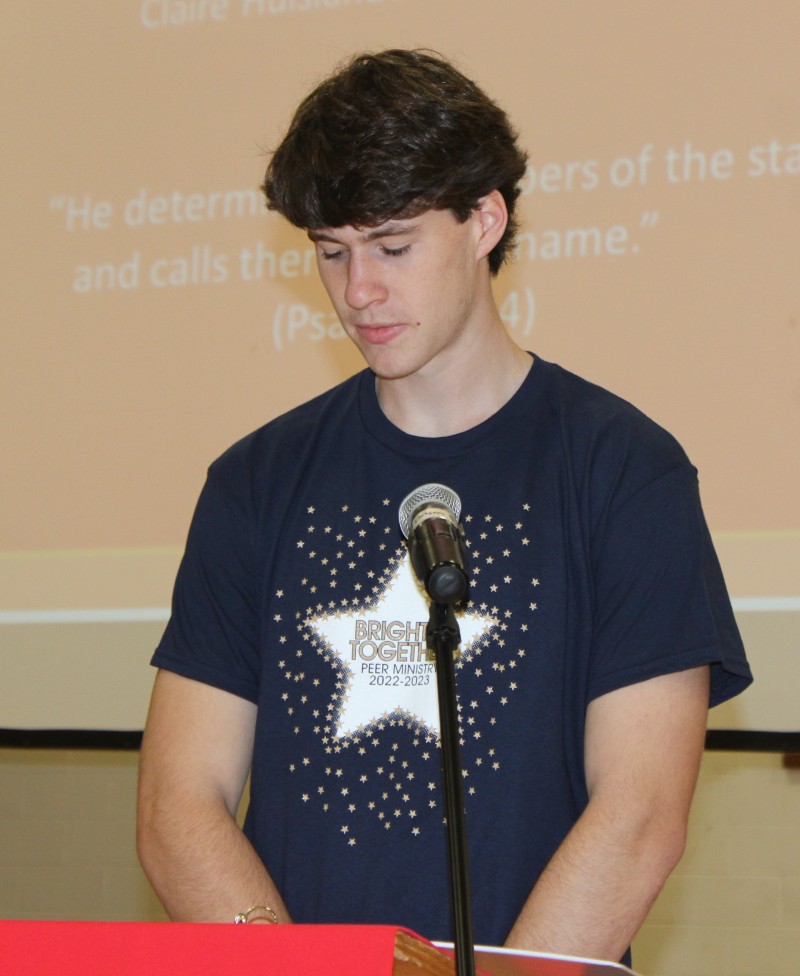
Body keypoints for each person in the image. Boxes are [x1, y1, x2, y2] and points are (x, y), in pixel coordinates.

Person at [137, 49, 752, 964]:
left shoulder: (625, 472)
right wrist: (294, 965)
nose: (359, 292)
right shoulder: (255, 482)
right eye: (331, 253)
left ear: (484, 220)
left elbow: (642, 815)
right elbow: (177, 802)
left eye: (392, 246)